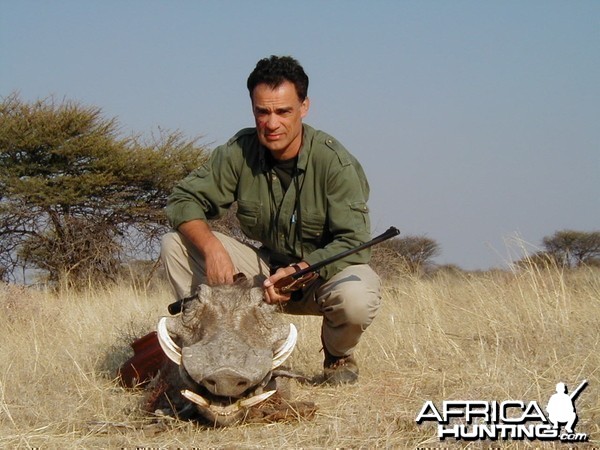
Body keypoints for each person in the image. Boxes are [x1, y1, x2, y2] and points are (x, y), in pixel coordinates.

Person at [161, 55, 381, 385]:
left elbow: (353, 241)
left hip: (320, 277)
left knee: (357, 298)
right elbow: (183, 200)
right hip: (264, 274)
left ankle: (337, 356)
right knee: (174, 244)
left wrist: (302, 271)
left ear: (304, 107)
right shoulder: (239, 151)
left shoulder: (334, 162)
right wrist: (212, 249)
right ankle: (207, 345)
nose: (272, 123)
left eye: (283, 111)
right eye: (262, 112)